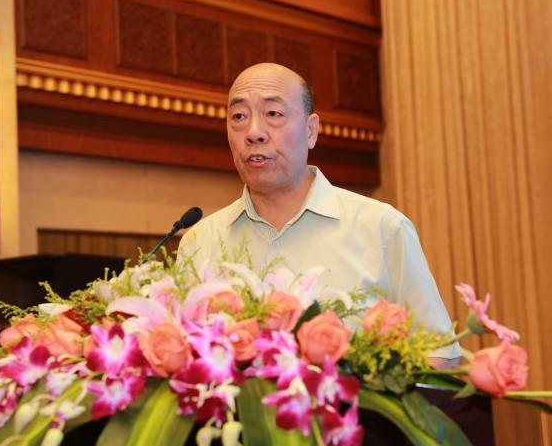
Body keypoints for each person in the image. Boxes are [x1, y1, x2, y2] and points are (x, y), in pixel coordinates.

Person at [178, 63, 460, 367]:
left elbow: (439, 352)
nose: (254, 133)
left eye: (273, 113)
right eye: (238, 117)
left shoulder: (382, 228)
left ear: (311, 131)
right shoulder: (199, 242)